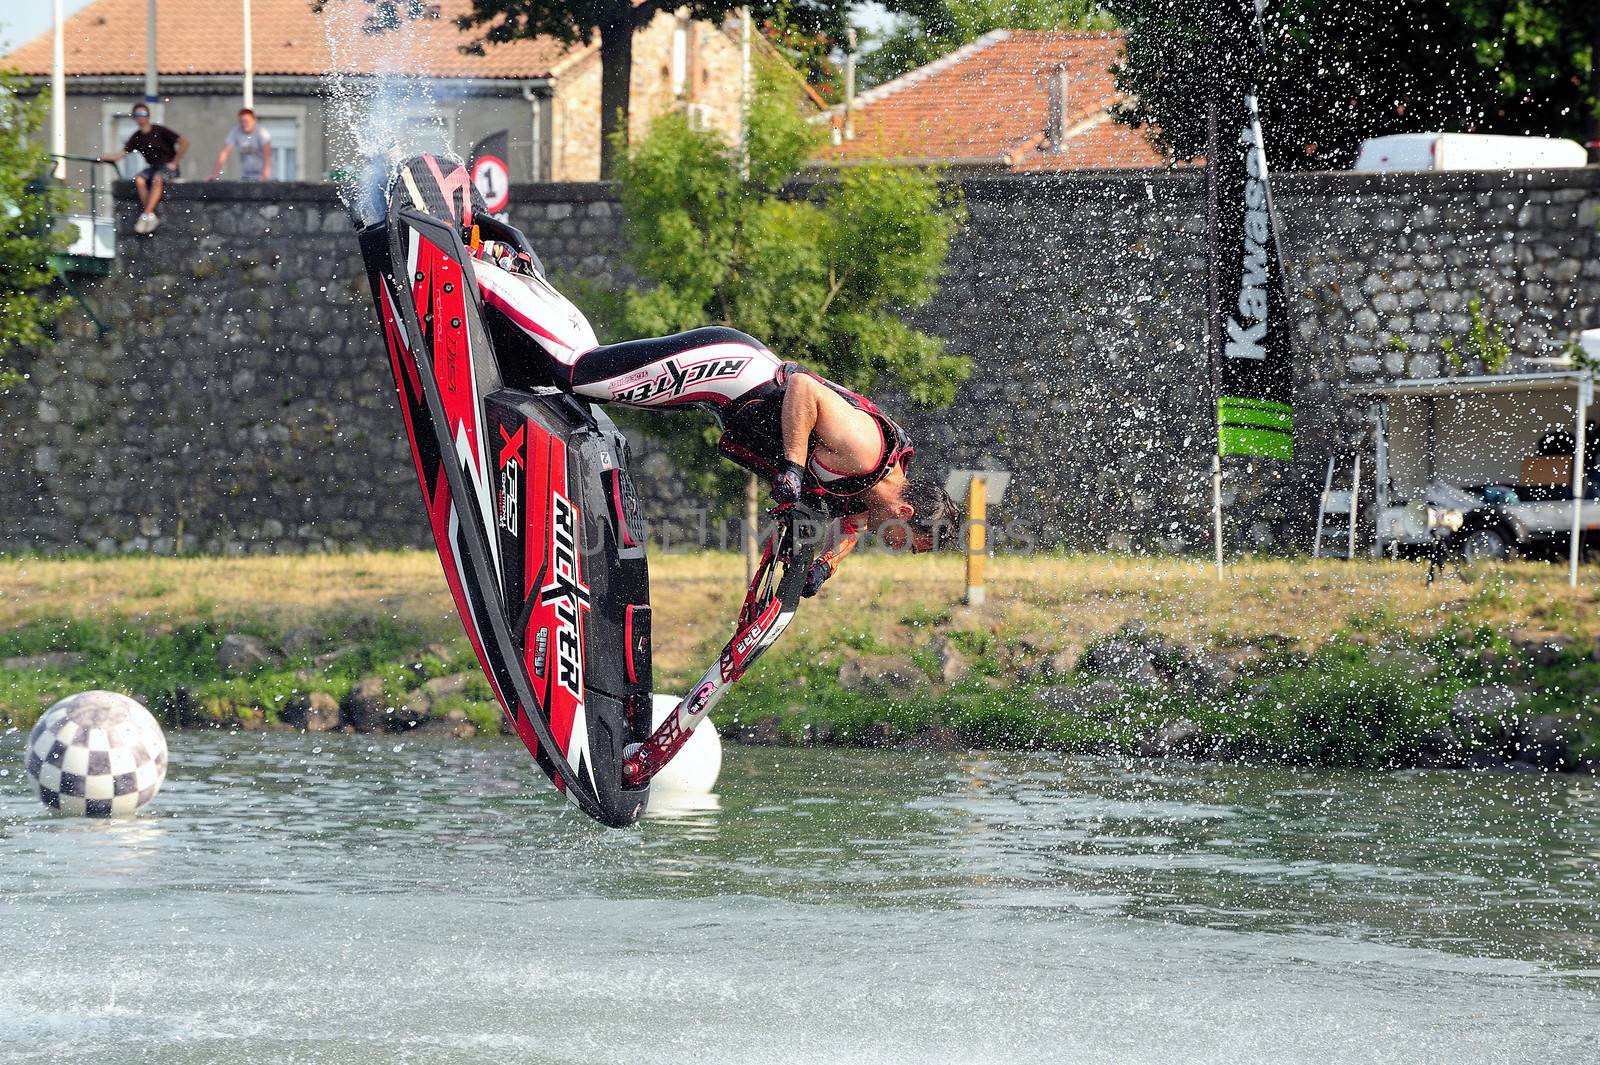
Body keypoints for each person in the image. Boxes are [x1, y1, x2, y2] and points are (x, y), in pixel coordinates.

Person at [470, 231, 962, 597]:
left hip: (718, 393)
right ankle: (478, 271)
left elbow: (851, 526)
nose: (892, 547)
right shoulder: (865, 449)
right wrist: (792, 468)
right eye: (904, 542)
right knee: (579, 372)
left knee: (592, 371)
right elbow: (805, 388)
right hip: (729, 368)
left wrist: (825, 565)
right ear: (905, 512)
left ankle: (518, 274)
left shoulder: (871, 497)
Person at [97, 104, 187, 234]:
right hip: (153, 167)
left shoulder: (159, 131)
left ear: (148, 116)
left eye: (143, 115)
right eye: (138, 115)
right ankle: (149, 215)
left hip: (167, 166)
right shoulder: (137, 137)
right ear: (134, 118)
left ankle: (146, 213)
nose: (141, 118)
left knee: (158, 179)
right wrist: (104, 158)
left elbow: (184, 142)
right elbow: (122, 154)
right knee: (139, 180)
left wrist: (175, 162)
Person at [208, 108, 272, 182]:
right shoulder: (235, 132)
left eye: (246, 121)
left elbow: (267, 155)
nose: (244, 124)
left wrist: (265, 176)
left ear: (254, 121)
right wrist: (215, 175)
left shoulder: (262, 133)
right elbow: (224, 153)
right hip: (246, 175)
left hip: (263, 175)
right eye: (241, 121)